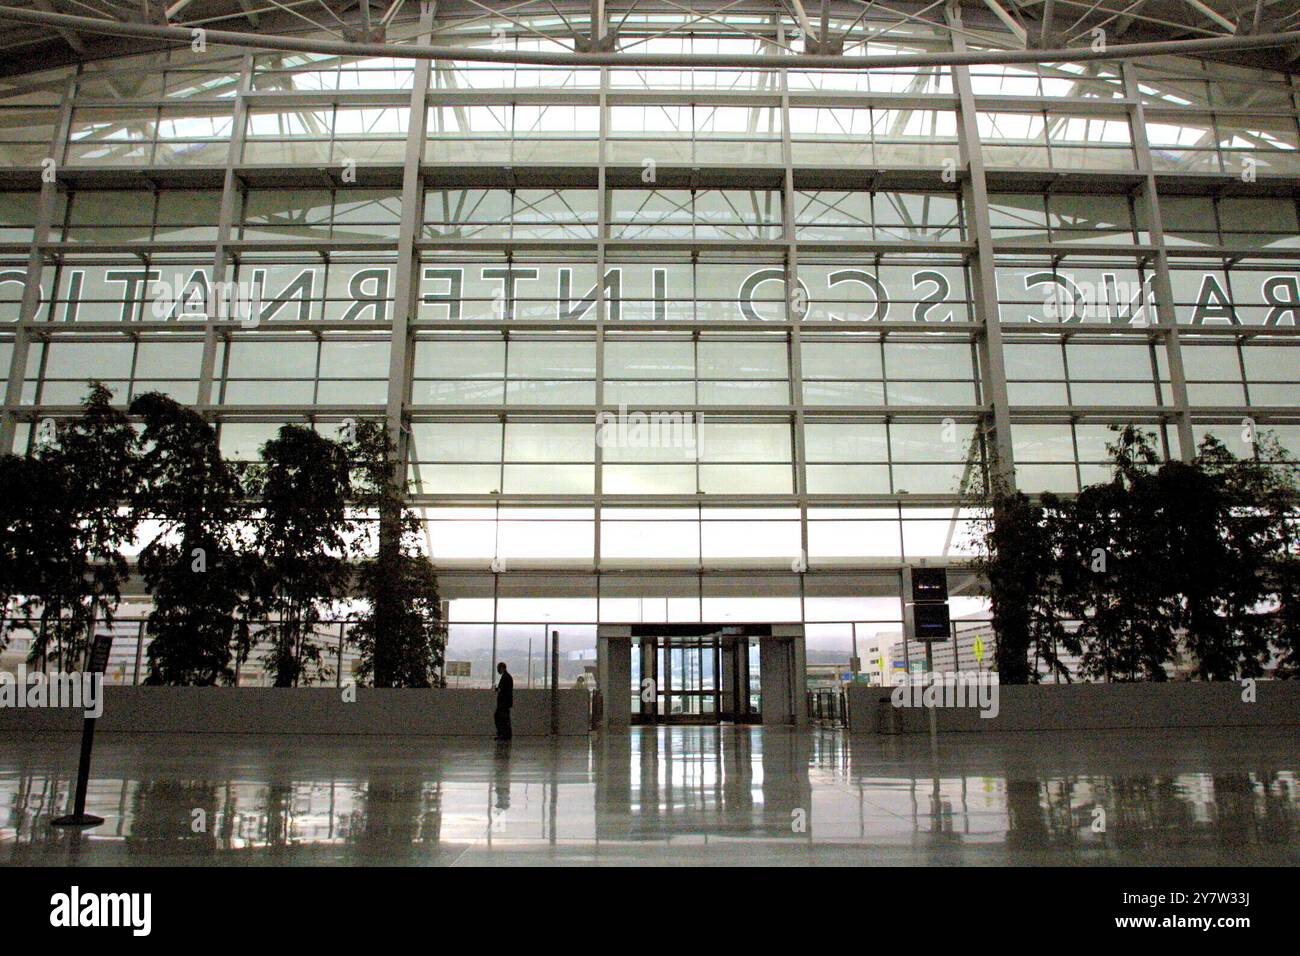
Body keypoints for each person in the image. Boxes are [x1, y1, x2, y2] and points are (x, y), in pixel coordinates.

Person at [494, 662, 514, 741]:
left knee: (500, 718)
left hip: (503, 702)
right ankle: (505, 735)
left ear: (502, 668)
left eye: (498, 668)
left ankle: (503, 734)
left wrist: (497, 689)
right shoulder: (507, 676)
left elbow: (502, 689)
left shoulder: (505, 677)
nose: (497, 670)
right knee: (505, 719)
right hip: (506, 702)